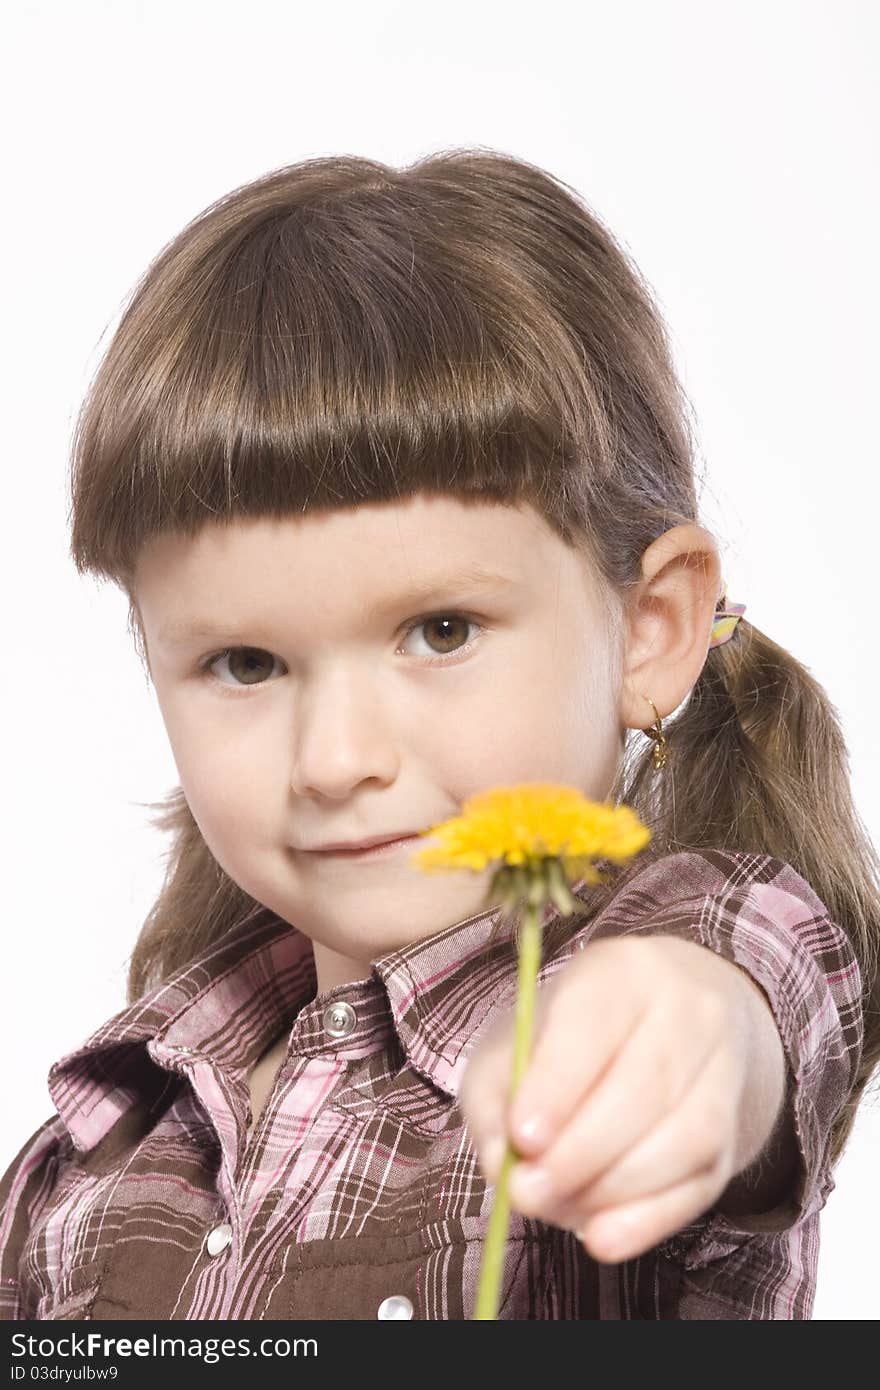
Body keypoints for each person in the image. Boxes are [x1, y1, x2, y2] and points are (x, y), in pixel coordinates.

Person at [1, 150, 875, 1321]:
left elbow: (758, 961)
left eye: (441, 630)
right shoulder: (90, 1154)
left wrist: (689, 1021)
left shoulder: (650, 988)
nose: (333, 758)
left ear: (649, 627)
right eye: (246, 663)